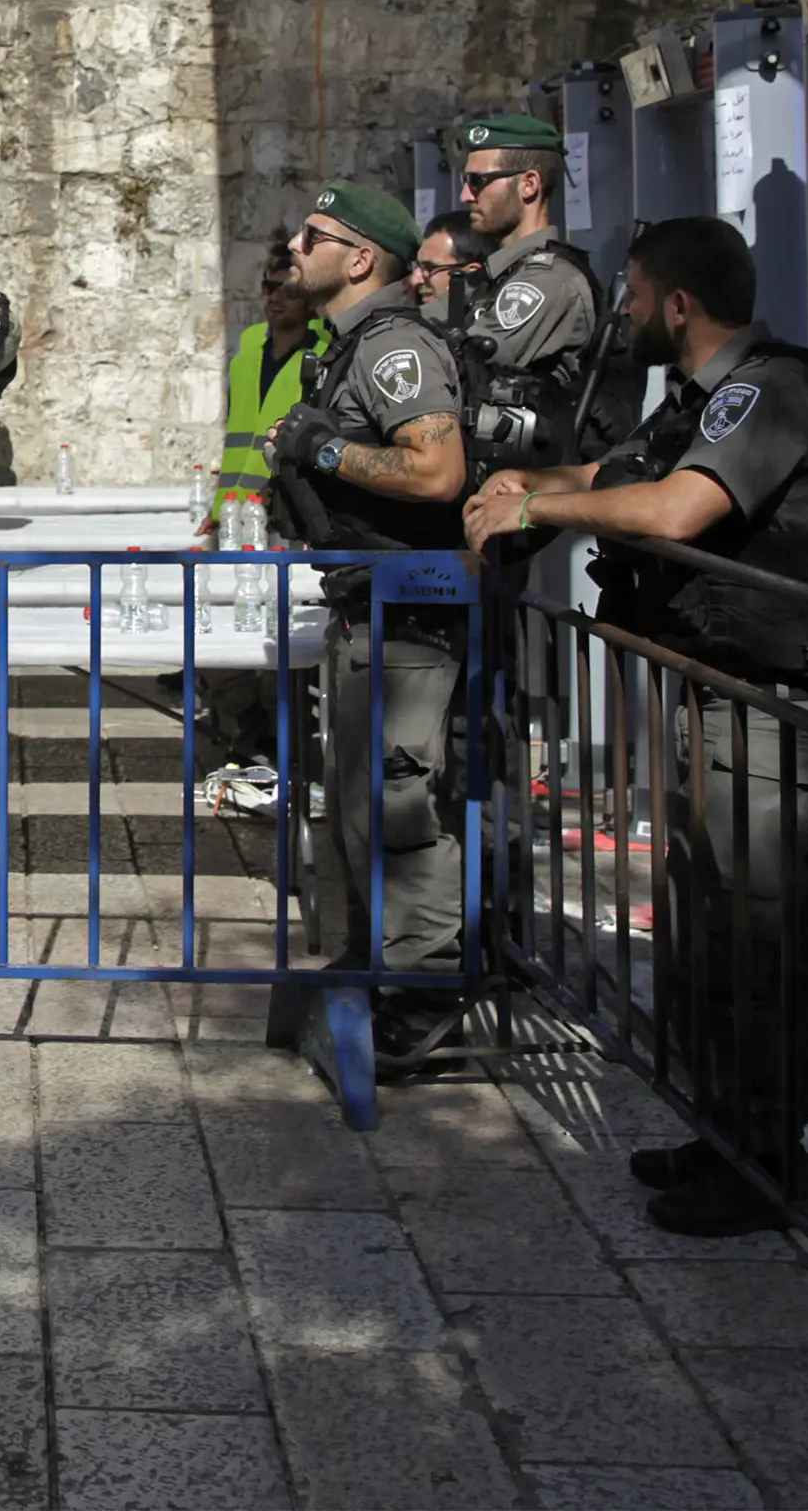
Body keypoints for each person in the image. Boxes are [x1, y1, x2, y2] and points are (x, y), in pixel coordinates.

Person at [464, 215, 808, 1236]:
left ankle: (767, 1159)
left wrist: (534, 515)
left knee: (754, 928)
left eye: (635, 294)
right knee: (705, 921)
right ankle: (724, 1129)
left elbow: (677, 508)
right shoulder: (700, 397)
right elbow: (613, 476)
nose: (624, 310)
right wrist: (520, 485)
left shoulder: (768, 392)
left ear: (678, 304)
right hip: (710, 694)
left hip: (765, 701)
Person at [259, 181, 468, 1068]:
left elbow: (437, 472)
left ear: (360, 259)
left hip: (409, 615)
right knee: (356, 807)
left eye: (316, 235)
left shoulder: (393, 349)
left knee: (400, 808)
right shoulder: (342, 349)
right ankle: (374, 966)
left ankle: (419, 1008)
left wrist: (323, 448)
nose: (295, 247)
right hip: (363, 607)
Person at [452, 113, 606, 475]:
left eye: (478, 182)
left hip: (538, 502)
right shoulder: (496, 277)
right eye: (465, 181)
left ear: (529, 184)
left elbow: (455, 371)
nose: (465, 195)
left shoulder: (547, 281)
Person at [214, 241, 332, 527]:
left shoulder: (325, 352)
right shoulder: (248, 352)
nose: (275, 298)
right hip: (238, 512)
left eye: (289, 291)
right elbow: (236, 442)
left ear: (309, 301)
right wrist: (218, 511)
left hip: (292, 512)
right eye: (269, 288)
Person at [407, 209, 485, 320]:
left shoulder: (488, 332)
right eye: (417, 266)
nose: (415, 280)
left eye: (429, 268)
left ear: (471, 273)